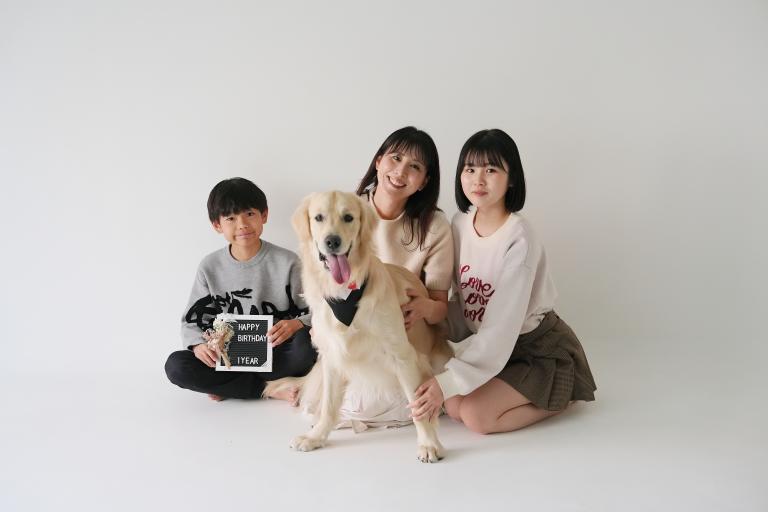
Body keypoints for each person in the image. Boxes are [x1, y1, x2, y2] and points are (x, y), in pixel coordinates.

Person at [409, 129, 597, 433]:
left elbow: (501, 325)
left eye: (491, 170)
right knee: (454, 406)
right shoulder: (459, 224)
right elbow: (467, 303)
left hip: (536, 349)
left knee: (476, 417)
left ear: (511, 179)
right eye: (470, 169)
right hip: (496, 351)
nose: (478, 180)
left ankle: (564, 392)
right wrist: (429, 314)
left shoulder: (519, 237)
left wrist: (446, 382)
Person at [334, 127, 454, 427]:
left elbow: (441, 308)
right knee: (349, 398)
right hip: (358, 333)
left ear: (424, 181)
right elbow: (329, 283)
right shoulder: (347, 211)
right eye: (395, 158)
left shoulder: (435, 226)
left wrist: (425, 308)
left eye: (414, 166)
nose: (400, 172)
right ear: (378, 161)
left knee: (389, 401)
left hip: (409, 338)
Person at [164, 178, 316, 402]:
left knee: (307, 347)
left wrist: (296, 324)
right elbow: (191, 321)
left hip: (276, 352)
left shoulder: (288, 262)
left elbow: (318, 311)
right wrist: (198, 345)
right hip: (227, 357)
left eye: (250, 214)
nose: (242, 224)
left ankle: (231, 387)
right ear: (217, 225)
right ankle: (269, 389)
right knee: (176, 366)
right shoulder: (210, 266)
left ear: (264, 215)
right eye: (231, 218)